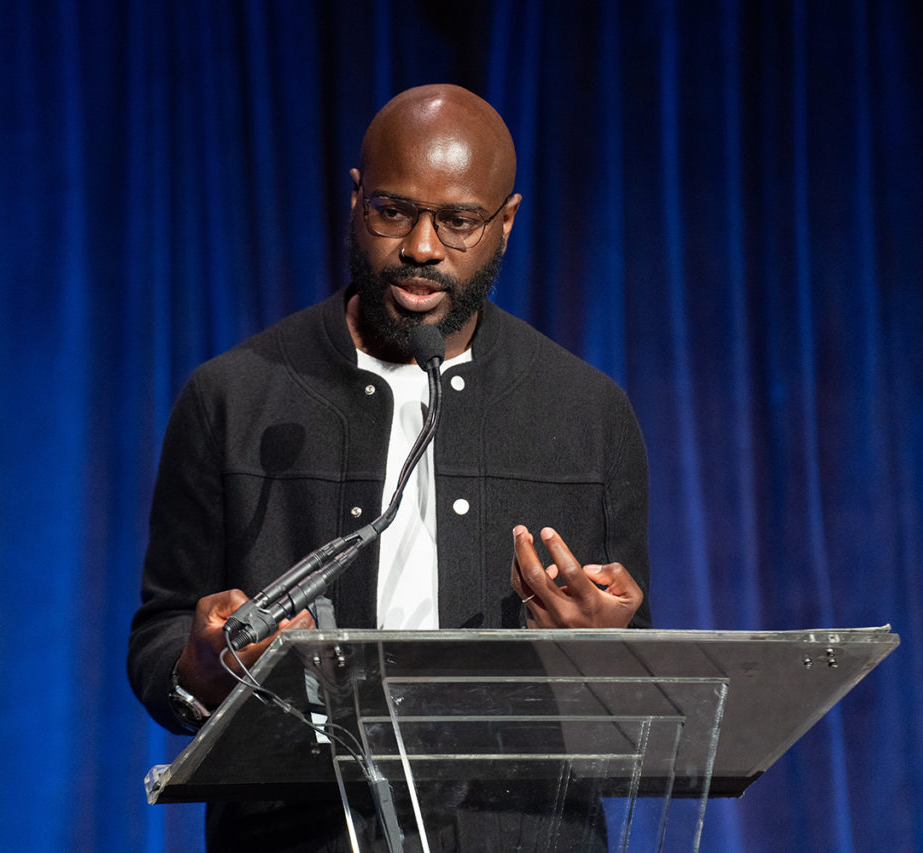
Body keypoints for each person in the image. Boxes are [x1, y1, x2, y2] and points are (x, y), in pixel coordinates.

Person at [129, 83, 651, 852]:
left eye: (459, 221)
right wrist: (203, 665)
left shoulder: (588, 413)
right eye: (393, 210)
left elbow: (645, 671)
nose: (421, 247)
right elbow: (162, 633)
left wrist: (606, 644)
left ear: (505, 223)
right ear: (355, 200)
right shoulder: (233, 396)